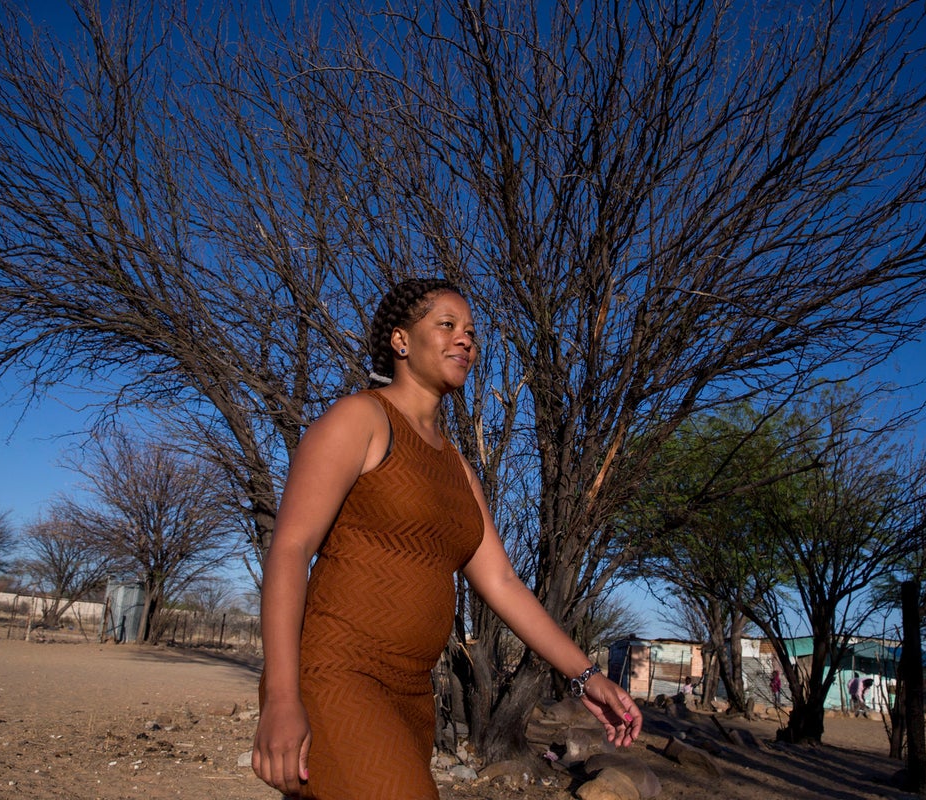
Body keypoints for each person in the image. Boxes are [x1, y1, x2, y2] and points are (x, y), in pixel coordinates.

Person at [250, 279, 642, 798]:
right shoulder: (361, 419)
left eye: (472, 333)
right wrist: (281, 697)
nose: (465, 341)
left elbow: (501, 582)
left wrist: (586, 675)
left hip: (412, 694)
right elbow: (291, 547)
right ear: (401, 341)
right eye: (447, 325)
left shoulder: (459, 469)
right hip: (337, 675)